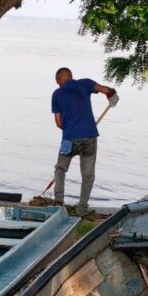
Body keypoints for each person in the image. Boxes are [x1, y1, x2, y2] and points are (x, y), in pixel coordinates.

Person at [51, 67, 118, 216]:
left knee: (60, 169)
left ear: (59, 80)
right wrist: (112, 95)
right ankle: (82, 208)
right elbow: (106, 90)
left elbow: (58, 122)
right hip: (89, 137)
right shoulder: (85, 83)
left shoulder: (57, 94)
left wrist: (70, 126)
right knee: (88, 175)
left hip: (69, 138)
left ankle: (58, 202)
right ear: (71, 77)